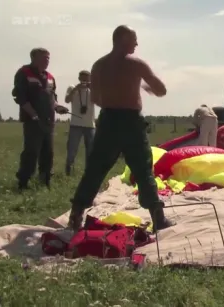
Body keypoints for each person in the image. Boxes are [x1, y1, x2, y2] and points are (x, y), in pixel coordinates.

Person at [67, 25, 174, 232]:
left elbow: (96, 98)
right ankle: (158, 218)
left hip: (108, 121)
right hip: (131, 122)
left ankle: (75, 216)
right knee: (143, 170)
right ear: (123, 40)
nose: (136, 43)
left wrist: (113, 99)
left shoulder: (98, 66)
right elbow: (161, 90)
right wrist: (146, 88)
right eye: (134, 39)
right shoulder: (136, 64)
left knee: (95, 169)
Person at [12, 47, 69, 191]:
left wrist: (58, 108)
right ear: (34, 58)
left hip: (49, 121)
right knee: (31, 152)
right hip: (32, 121)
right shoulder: (24, 73)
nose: (47, 60)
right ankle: (23, 182)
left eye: (49, 58)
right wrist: (33, 114)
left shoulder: (50, 77)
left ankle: (45, 181)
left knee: (48, 153)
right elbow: (20, 97)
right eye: (44, 57)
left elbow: (52, 99)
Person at [64, 70, 96, 176]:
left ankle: (89, 172)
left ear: (90, 79)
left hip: (90, 125)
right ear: (78, 78)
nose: (84, 82)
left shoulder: (93, 90)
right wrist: (76, 89)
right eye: (82, 79)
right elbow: (67, 100)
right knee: (72, 149)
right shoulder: (72, 87)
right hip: (75, 124)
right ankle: (69, 169)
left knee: (91, 151)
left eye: (86, 80)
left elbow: (101, 101)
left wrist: (93, 89)